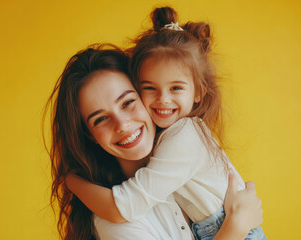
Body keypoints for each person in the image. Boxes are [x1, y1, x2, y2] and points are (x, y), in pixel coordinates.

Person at [65, 7, 266, 240]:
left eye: (127, 102)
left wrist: (72, 181)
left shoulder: (184, 135)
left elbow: (121, 205)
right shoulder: (118, 227)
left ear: (199, 92)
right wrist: (236, 227)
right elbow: (119, 209)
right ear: (88, 134)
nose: (163, 99)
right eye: (150, 88)